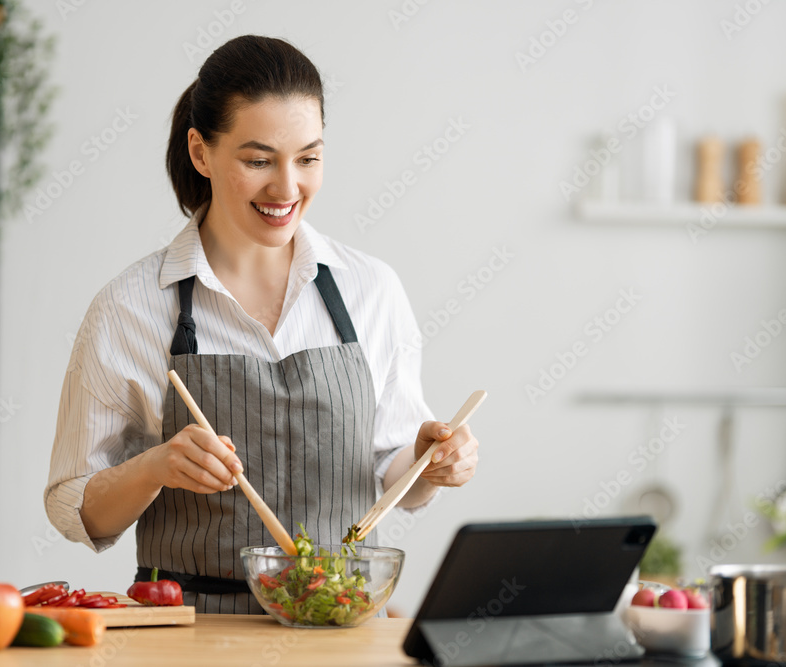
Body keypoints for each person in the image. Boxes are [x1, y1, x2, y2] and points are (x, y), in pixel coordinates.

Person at [44, 34, 479, 614]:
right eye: (258, 160)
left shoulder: (370, 289)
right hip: (186, 636)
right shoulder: (130, 307)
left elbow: (395, 474)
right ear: (201, 152)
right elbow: (76, 508)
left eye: (308, 157)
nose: (287, 187)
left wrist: (432, 462)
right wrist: (156, 466)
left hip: (337, 627)